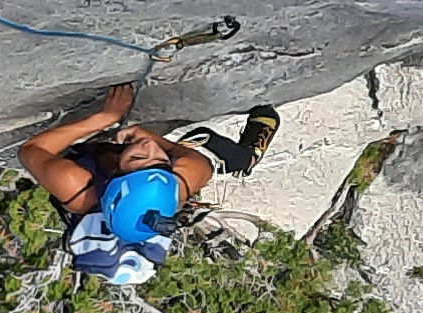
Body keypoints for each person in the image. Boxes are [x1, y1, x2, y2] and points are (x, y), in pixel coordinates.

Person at [16, 84, 282, 290]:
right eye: (161, 161)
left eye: (140, 157)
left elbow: (31, 151)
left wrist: (104, 118)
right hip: (149, 192)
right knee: (207, 144)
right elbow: (195, 161)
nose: (150, 149)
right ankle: (246, 158)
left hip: (100, 177)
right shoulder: (181, 182)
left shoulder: (77, 188)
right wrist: (154, 139)